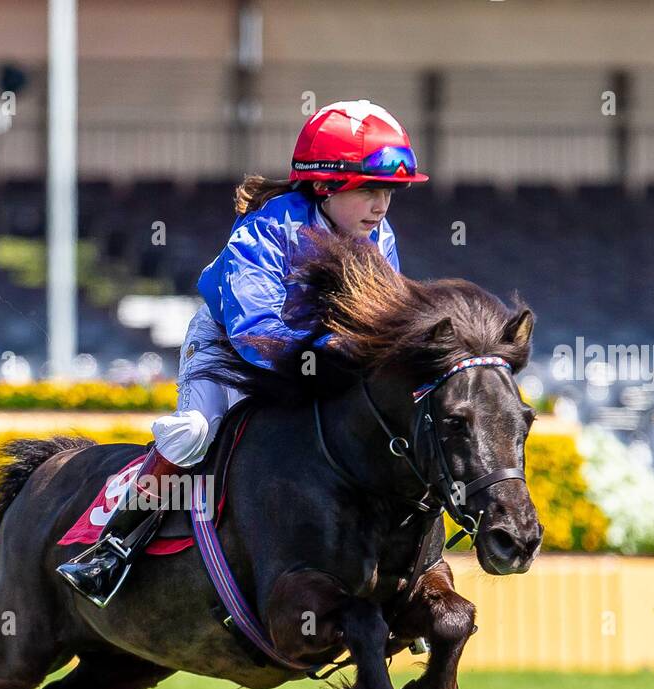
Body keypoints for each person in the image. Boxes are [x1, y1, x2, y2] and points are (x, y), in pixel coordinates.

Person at [58, 100, 429, 606]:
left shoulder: (378, 237)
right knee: (194, 433)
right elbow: (257, 331)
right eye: (367, 189)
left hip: (315, 358)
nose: (380, 205)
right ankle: (113, 546)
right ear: (324, 185)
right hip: (233, 348)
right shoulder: (265, 231)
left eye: (387, 191)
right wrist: (333, 354)